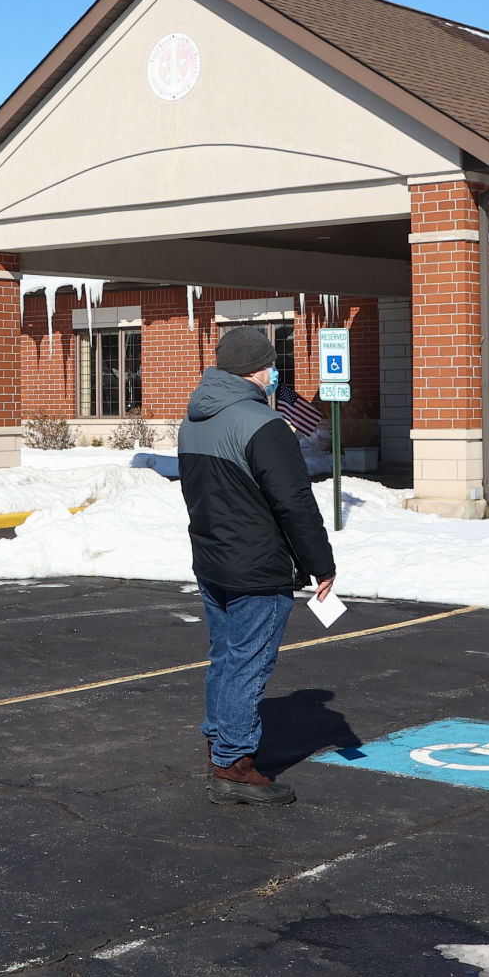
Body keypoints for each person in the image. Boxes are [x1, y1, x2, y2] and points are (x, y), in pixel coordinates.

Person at [178, 327, 336, 806]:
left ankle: (220, 740)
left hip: (212, 558)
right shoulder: (263, 425)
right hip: (257, 565)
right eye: (273, 365)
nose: (276, 375)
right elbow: (294, 503)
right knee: (249, 662)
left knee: (225, 656)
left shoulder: (193, 419)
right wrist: (320, 564)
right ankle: (233, 764)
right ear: (258, 370)